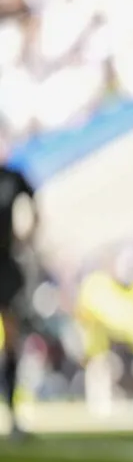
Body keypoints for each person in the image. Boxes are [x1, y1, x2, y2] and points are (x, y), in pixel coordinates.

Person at [0, 159, 37, 441]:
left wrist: (26, 236)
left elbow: (34, 205)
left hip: (5, 267)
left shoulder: (13, 176)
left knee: (12, 341)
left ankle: (12, 414)